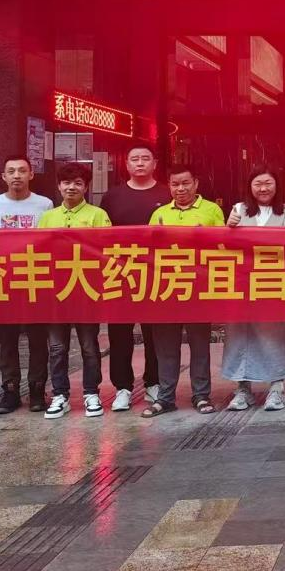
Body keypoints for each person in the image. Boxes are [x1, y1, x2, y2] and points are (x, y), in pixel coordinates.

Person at [142, 164, 225, 417]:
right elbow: (147, 251)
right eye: (175, 184)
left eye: (186, 183)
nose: (181, 189)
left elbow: (224, 246)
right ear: (169, 186)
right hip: (167, 288)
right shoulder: (159, 213)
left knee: (200, 345)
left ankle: (201, 395)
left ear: (196, 183)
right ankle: (165, 397)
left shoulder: (211, 210)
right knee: (166, 348)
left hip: (198, 288)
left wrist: (206, 239)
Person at [0, 156, 54, 414]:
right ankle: (10, 390)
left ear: (31, 174)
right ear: (3, 176)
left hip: (35, 278)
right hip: (4, 280)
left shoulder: (45, 204)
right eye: (11, 171)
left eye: (22, 170)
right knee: (7, 339)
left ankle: (37, 389)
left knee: (38, 339)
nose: (16, 175)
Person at [38, 163, 111, 419]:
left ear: (86, 187)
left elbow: (106, 250)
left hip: (86, 291)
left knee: (89, 346)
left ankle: (91, 393)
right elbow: (38, 252)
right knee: (57, 347)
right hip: (56, 292)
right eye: (67, 183)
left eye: (78, 183)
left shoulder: (98, 215)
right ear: (59, 186)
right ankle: (60, 394)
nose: (72, 187)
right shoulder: (48, 217)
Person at [101, 146, 170, 412]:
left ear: (155, 163)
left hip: (157, 272)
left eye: (145, 159)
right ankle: (122, 387)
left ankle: (154, 382)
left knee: (156, 333)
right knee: (119, 333)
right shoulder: (112, 196)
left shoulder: (166, 193)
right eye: (134, 159)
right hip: (120, 272)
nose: (140, 163)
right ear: (127, 164)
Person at [222, 164, 285, 413]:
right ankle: (243, 389)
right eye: (258, 184)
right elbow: (226, 246)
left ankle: (277, 388)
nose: (263, 189)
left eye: (268, 183)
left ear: (277, 185)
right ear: (249, 187)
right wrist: (228, 228)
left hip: (274, 284)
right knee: (240, 334)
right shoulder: (238, 210)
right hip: (242, 284)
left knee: (274, 334)